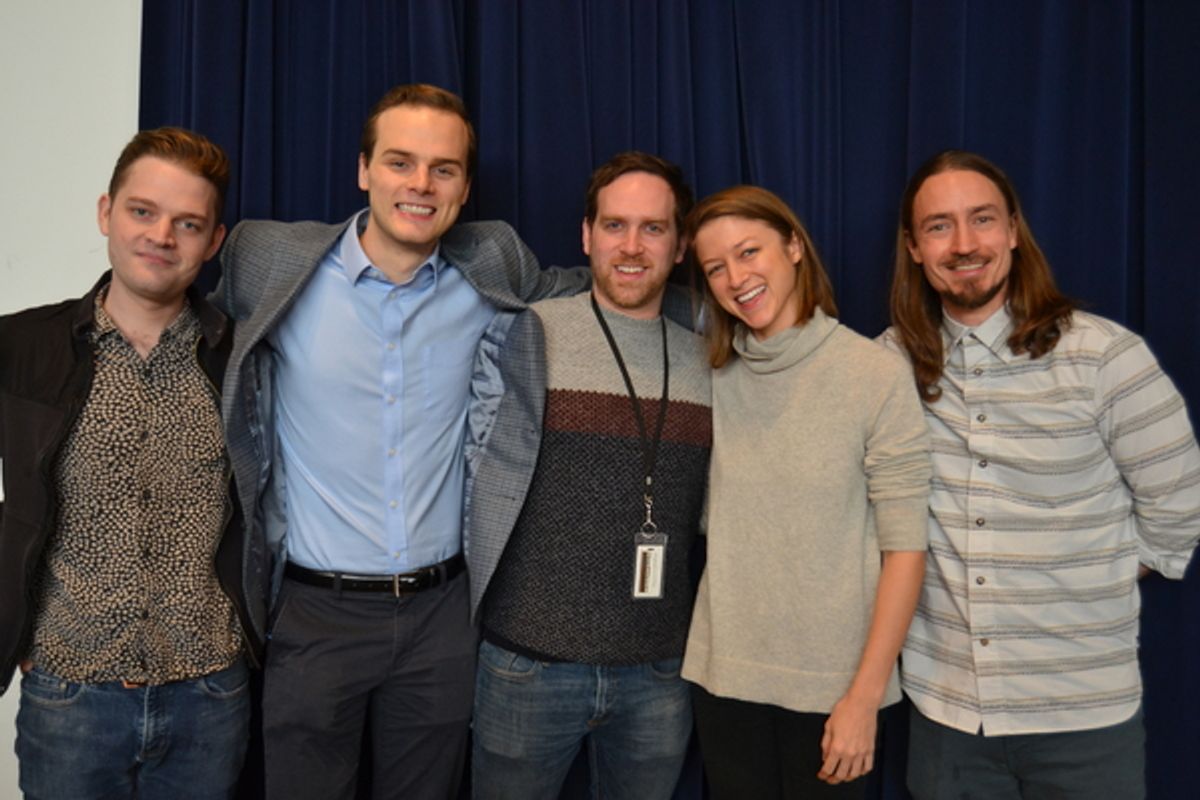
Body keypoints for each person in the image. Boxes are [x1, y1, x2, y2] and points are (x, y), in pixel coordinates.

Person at [213, 83, 587, 799]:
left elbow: (595, 291)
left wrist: (728, 314)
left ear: (464, 187)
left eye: (443, 169)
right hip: (313, 613)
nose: (420, 185)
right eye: (399, 162)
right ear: (363, 171)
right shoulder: (266, 259)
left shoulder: (492, 263)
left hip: (440, 616)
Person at [882, 150, 1200, 799]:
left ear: (1014, 230)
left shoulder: (1106, 357)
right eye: (939, 227)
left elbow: (1179, 508)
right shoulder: (887, 365)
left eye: (982, 220)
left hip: (1084, 720)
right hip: (947, 719)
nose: (964, 244)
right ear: (914, 248)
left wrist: (1079, 580)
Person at [0, 128, 251, 799]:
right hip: (70, 693)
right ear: (107, 212)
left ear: (214, 241)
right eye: (143, 212)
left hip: (209, 692)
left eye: (187, 223)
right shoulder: (22, 346)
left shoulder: (242, 363)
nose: (162, 236)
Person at [465, 151, 712, 800]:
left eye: (653, 228)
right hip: (527, 664)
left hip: (658, 669)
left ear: (681, 243)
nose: (631, 247)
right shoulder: (529, 333)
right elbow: (474, 476)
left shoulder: (712, 357)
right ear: (586, 235)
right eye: (614, 226)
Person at [682, 185, 931, 799]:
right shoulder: (710, 376)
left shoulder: (872, 373)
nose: (736, 278)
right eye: (716, 268)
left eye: (749, 252)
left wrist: (864, 697)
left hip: (834, 690)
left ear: (794, 246)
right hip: (725, 679)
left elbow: (906, 550)